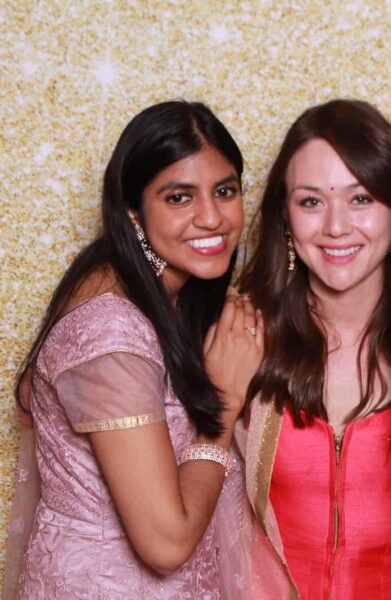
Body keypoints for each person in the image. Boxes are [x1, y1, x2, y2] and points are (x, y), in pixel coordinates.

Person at [3, 100, 262, 599]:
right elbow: (165, 543)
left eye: (225, 191)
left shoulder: (154, 292)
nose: (212, 217)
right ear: (133, 213)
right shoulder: (110, 333)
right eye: (179, 197)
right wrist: (224, 406)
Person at [238, 99, 391, 599]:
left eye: (361, 199)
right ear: (285, 216)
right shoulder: (241, 332)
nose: (336, 226)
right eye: (311, 202)